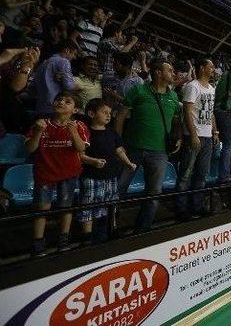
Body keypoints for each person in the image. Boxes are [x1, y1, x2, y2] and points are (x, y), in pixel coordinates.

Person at [116, 59, 182, 232]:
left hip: (160, 151)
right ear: (158, 72)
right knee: (118, 189)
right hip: (132, 149)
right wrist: (118, 142)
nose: (173, 73)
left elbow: (177, 120)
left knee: (154, 194)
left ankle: (142, 230)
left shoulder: (173, 96)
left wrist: (179, 138)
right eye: (170, 70)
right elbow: (121, 115)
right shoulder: (138, 90)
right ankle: (109, 225)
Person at [24, 91, 89, 257]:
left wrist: (73, 132)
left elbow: (81, 148)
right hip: (44, 172)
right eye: (59, 100)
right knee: (42, 208)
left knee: (65, 207)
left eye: (67, 101)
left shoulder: (79, 126)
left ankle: (63, 240)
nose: (61, 102)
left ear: (75, 110)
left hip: (69, 173)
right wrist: (38, 132)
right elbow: (30, 148)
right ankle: (38, 243)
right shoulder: (40, 123)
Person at [79, 99, 136, 243]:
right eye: (104, 112)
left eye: (109, 113)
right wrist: (93, 161)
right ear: (91, 113)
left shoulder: (112, 132)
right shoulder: (85, 132)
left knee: (111, 203)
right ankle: (87, 235)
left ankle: (112, 229)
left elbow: (119, 150)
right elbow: (80, 155)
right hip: (91, 176)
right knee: (89, 205)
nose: (108, 115)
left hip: (111, 175)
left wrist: (128, 163)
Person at [175, 58, 218, 221]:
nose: (213, 69)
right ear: (201, 68)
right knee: (185, 174)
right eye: (211, 66)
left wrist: (215, 131)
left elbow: (211, 111)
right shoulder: (192, 86)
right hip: (193, 136)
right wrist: (193, 134)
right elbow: (187, 112)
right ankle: (181, 210)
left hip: (207, 136)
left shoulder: (212, 88)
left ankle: (197, 207)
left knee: (202, 174)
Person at [33, 40, 79, 116]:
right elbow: (69, 86)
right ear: (67, 50)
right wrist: (80, 87)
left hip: (40, 106)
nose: (74, 57)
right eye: (74, 54)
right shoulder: (64, 61)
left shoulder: (44, 63)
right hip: (55, 106)